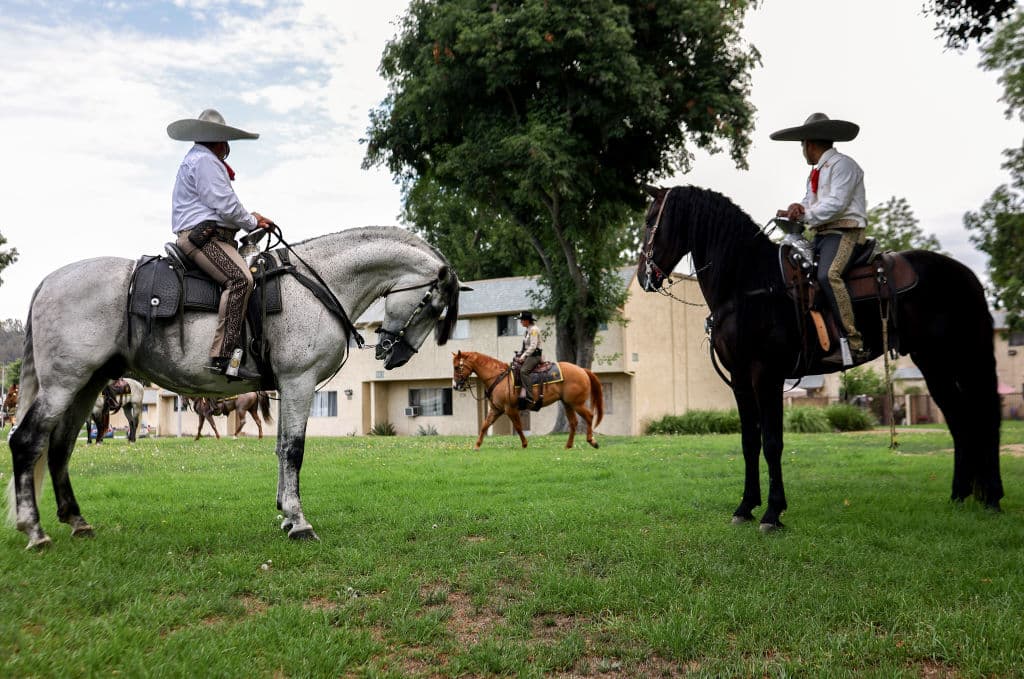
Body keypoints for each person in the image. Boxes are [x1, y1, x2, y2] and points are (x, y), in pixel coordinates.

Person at [167, 109, 273, 379]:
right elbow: (224, 204)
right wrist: (251, 221)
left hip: (214, 235)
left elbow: (224, 205)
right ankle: (223, 358)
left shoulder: (199, 159)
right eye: (226, 141)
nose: (227, 147)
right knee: (240, 281)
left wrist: (251, 218)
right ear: (219, 140)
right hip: (204, 238)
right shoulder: (205, 161)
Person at [772, 112, 868, 364]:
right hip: (823, 236)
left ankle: (855, 343)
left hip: (846, 232)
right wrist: (795, 208)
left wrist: (804, 213)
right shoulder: (817, 172)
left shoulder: (843, 165)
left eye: (802, 145)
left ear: (809, 144)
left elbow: (836, 204)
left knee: (829, 275)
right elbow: (810, 203)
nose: (802, 150)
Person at [513, 311, 543, 403]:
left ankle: (530, 397)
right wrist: (519, 354)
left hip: (534, 356)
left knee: (523, 371)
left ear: (527, 321)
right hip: (529, 355)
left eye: (521, 320)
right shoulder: (527, 330)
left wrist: (523, 356)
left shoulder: (534, 330)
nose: (520, 322)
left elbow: (533, 346)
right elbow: (525, 346)